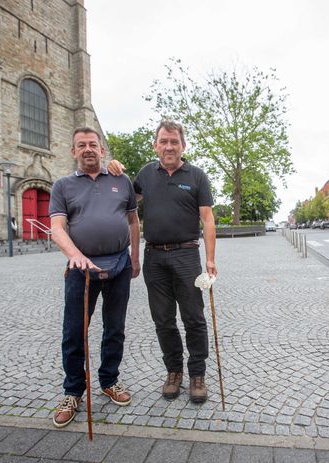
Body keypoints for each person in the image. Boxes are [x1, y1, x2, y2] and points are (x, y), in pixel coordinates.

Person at [108, 120, 217, 404]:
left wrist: (211, 259)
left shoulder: (197, 176)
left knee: (194, 317)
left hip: (187, 255)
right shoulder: (145, 174)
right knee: (163, 319)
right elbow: (122, 199)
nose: (169, 146)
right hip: (154, 256)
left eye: (174, 141)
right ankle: (173, 372)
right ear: (155, 145)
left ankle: (197, 374)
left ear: (184, 145)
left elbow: (207, 218)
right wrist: (114, 168)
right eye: (164, 141)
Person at [48, 127, 140, 428]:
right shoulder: (62, 186)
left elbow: (133, 222)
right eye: (81, 145)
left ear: (102, 150)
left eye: (93, 144)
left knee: (115, 328)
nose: (88, 149)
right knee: (74, 331)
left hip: (119, 266)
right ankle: (73, 391)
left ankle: (109, 380)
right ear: (73, 152)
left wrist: (135, 257)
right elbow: (58, 228)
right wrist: (74, 254)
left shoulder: (121, 180)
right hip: (80, 270)